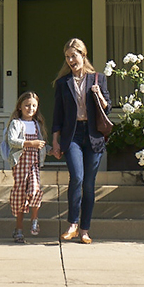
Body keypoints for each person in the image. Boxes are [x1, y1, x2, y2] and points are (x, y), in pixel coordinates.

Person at [52, 38, 111, 244]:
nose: (70, 60)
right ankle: (72, 225)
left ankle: (85, 230)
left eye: (73, 56)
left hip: (93, 135)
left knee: (88, 183)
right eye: (67, 57)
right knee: (76, 177)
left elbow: (107, 107)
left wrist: (99, 96)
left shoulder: (98, 79)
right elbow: (57, 115)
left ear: (83, 55)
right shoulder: (63, 83)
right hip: (73, 135)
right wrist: (56, 141)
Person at [5, 91, 50, 243]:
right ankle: (18, 229)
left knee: (35, 189)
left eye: (33, 106)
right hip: (20, 163)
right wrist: (31, 143)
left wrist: (51, 150)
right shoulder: (16, 123)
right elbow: (12, 141)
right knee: (20, 195)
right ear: (20, 107)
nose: (30, 108)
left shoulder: (37, 125)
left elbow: (41, 144)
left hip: (34, 164)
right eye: (27, 105)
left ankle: (34, 219)